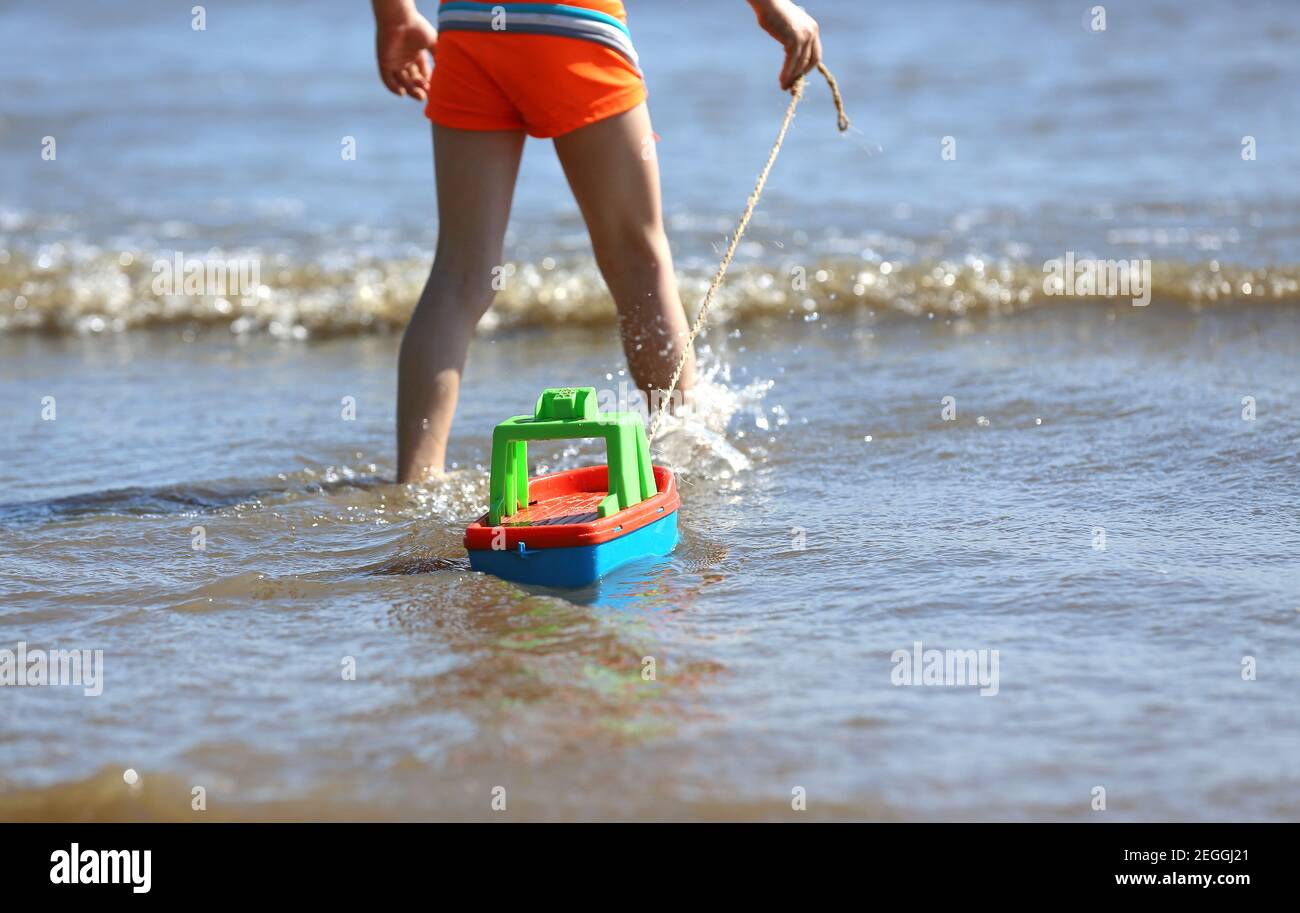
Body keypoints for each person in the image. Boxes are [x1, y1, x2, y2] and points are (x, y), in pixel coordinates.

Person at [371, 0, 823, 482]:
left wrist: (394, 15)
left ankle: (416, 483)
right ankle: (682, 455)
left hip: (470, 24)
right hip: (575, 23)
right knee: (637, 259)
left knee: (460, 275)